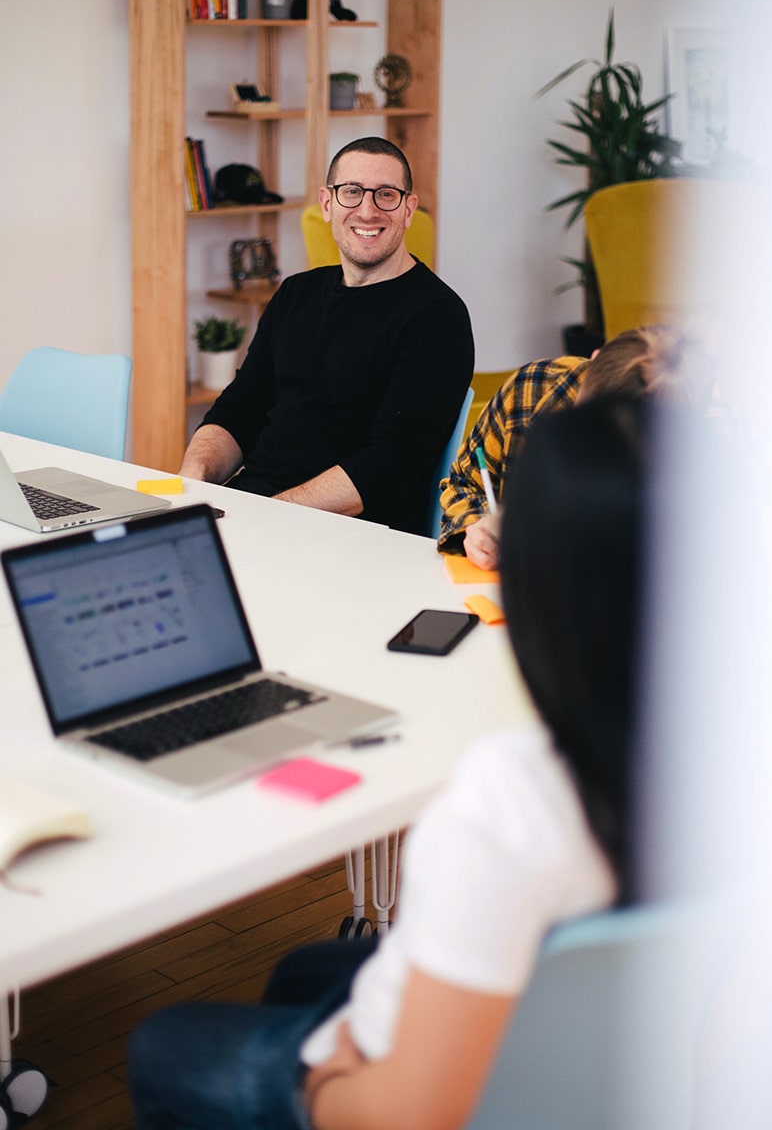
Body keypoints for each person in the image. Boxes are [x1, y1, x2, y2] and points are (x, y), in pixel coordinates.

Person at [128, 396, 651, 1130]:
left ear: (540, 593)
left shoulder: (512, 795)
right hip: (595, 1056)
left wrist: (326, 1080)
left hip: (398, 1081)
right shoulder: (742, 761)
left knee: (163, 1042)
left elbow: (410, 1111)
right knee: (298, 972)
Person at [180, 137, 474, 536]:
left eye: (385, 195)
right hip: (257, 514)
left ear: (408, 209)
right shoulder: (295, 294)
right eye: (351, 192)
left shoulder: (437, 316)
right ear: (327, 204)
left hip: (352, 534)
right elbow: (239, 409)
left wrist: (265, 512)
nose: (366, 211)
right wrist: (190, 484)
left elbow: (389, 463)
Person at [440, 323, 710, 570]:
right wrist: (476, 527)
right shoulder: (533, 390)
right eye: (584, 419)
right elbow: (463, 482)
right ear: (594, 359)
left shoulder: (700, 463)